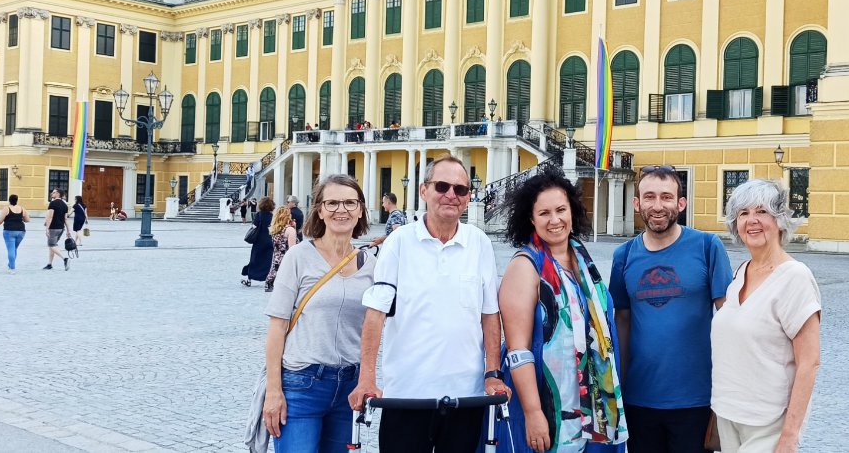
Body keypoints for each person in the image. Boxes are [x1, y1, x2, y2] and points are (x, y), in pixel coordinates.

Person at [350, 156, 509, 453]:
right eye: (442, 186)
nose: (452, 195)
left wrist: (492, 373)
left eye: (461, 189)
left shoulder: (479, 243)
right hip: (407, 395)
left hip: (466, 395)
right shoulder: (399, 242)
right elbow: (376, 314)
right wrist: (367, 377)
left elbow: (489, 315)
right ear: (424, 191)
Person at [497, 167, 628, 453]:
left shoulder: (582, 259)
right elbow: (518, 351)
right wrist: (533, 413)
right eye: (544, 213)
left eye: (561, 209)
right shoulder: (525, 267)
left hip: (594, 409)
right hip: (548, 404)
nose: (555, 220)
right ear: (531, 218)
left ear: (572, 211)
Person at [608, 166, 732, 453]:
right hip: (639, 399)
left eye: (666, 197)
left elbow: (728, 319)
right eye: (649, 197)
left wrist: (728, 388)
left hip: (696, 399)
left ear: (681, 203)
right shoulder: (623, 256)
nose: (658, 205)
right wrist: (619, 389)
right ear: (637, 203)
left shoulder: (707, 246)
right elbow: (621, 324)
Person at [262, 174, 376, 452]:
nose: (342, 210)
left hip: (350, 385)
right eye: (333, 203)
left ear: (360, 209)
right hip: (302, 382)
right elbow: (277, 327)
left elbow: (374, 326)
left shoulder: (371, 264)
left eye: (350, 202)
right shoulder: (299, 257)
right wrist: (274, 391)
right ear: (321, 210)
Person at [712, 180, 821, 453]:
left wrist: (790, 436)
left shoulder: (795, 277)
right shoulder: (740, 273)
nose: (752, 221)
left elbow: (809, 363)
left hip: (768, 422)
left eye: (762, 212)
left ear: (780, 220)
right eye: (743, 213)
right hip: (728, 415)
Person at [0, 194, 31, 274]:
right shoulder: (22, 209)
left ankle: (12, 269)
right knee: (14, 249)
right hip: (21, 232)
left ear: (9, 200)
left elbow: (0, 221)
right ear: (17, 200)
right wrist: (21, 218)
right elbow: (28, 220)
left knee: (11, 250)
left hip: (9, 231)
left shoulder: (6, 208)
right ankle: (10, 264)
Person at [265, 206, 299, 293]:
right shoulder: (289, 230)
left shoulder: (275, 229)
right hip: (286, 259)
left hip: (276, 259)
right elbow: (292, 249)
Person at [243, 197, 276, 287]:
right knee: (268, 261)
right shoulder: (272, 216)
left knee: (254, 260)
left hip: (259, 241)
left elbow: (254, 226)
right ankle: (267, 279)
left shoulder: (259, 215)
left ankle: (250, 279)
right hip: (269, 241)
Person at [44, 189, 71, 271]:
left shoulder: (53, 203)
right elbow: (66, 219)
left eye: (54, 192)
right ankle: (49, 264)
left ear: (58, 194)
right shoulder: (64, 205)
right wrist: (68, 230)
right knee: (53, 245)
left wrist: (47, 228)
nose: (52, 193)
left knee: (51, 245)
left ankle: (65, 259)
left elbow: (50, 217)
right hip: (61, 228)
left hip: (53, 228)